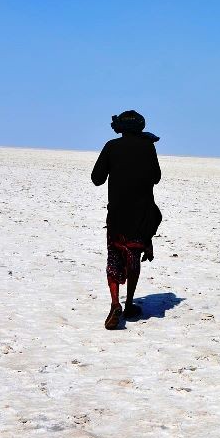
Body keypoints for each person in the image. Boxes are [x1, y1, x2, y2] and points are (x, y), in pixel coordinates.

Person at [91, 110, 162, 330]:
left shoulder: (111, 146)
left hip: (117, 214)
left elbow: (97, 179)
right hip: (141, 214)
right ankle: (129, 304)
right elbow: (156, 178)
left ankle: (115, 304)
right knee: (134, 256)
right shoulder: (148, 146)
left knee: (114, 257)